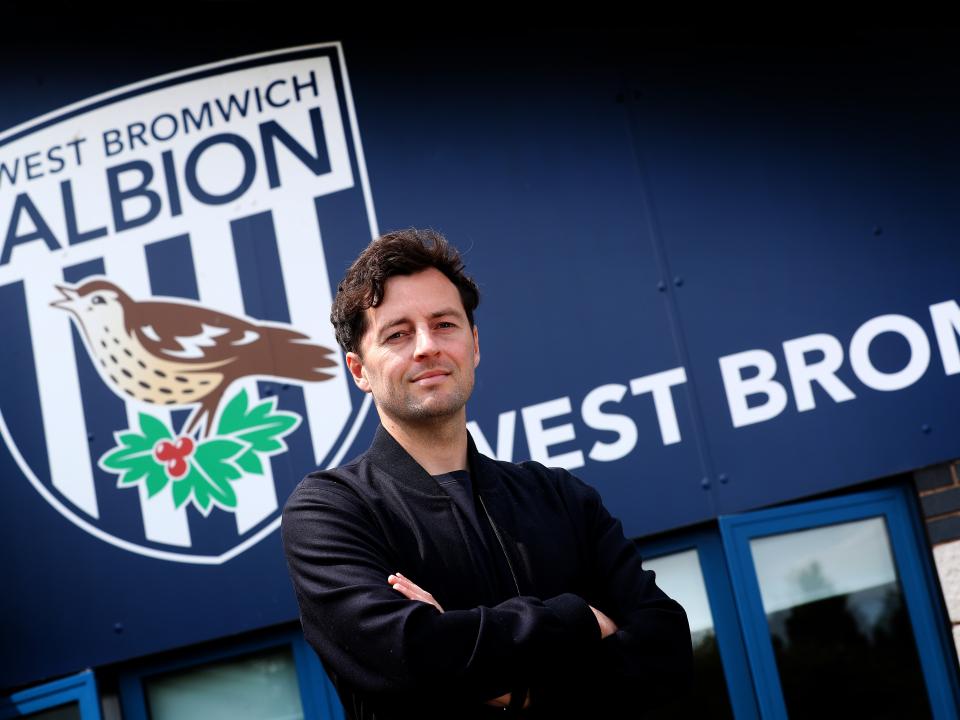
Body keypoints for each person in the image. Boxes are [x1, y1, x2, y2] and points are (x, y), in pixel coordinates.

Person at [281, 228, 692, 719]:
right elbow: (412, 655)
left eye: (444, 324)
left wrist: (509, 689)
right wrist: (579, 618)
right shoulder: (331, 511)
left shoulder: (559, 497)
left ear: (473, 344)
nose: (427, 346)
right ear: (359, 371)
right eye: (397, 334)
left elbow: (666, 647)